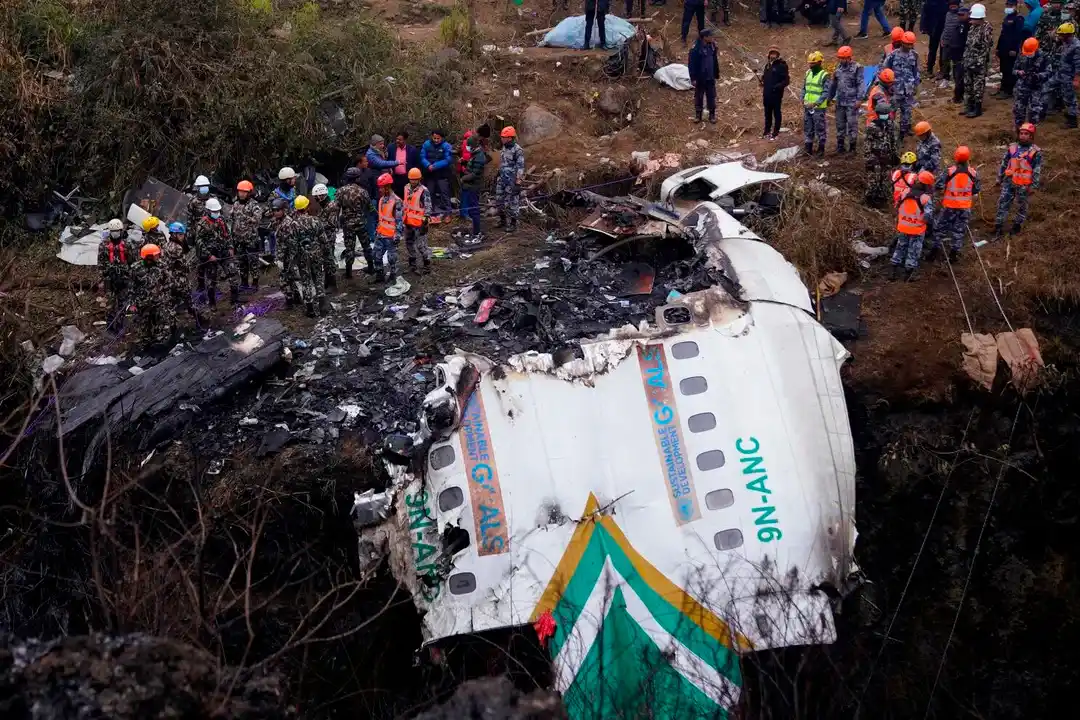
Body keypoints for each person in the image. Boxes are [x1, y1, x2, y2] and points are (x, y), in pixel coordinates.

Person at [930, 145, 979, 262]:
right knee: (959, 231)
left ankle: (934, 251)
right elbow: (976, 190)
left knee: (940, 228)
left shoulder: (949, 172)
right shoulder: (973, 173)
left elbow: (938, 185)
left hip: (949, 206)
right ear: (968, 158)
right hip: (964, 208)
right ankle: (954, 254)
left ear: (956, 158)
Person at [280, 195, 326, 317]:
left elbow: (292, 243)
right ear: (307, 207)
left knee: (306, 280)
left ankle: (310, 309)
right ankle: (322, 306)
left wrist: (292, 258)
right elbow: (323, 239)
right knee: (318, 278)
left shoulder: (293, 224)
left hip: (302, 256)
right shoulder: (316, 220)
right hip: (316, 253)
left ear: (296, 208)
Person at [994, 122, 1041, 238]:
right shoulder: (1012, 147)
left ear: (1031, 136)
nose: (1023, 136)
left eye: (1026, 134)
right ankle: (998, 228)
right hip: (1009, 182)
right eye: (1021, 133)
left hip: (1024, 186)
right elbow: (1004, 163)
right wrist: (999, 178)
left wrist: (1033, 186)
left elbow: (1037, 169)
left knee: (1022, 207)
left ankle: (1016, 227)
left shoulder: (1035, 151)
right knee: (1002, 204)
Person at [891, 170, 936, 280]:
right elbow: (928, 216)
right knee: (913, 250)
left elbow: (897, 205)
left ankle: (892, 272)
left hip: (903, 226)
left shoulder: (905, 192)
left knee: (900, 246)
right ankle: (909, 274)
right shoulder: (925, 198)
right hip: (917, 229)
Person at [864, 68, 899, 207]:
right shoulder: (878, 94)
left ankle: (882, 198)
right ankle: (871, 199)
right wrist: (869, 158)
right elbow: (868, 145)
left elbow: (892, 141)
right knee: (874, 176)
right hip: (875, 149)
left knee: (883, 176)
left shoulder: (889, 125)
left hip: (884, 152)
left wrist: (894, 155)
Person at [131, 244, 176, 344]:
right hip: (143, 303)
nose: (158, 257)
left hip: (160, 301)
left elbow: (169, 281)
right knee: (145, 326)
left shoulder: (162, 265)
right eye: (156, 255)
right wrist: (132, 303)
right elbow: (131, 287)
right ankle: (146, 345)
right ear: (149, 257)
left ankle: (163, 343)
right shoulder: (136, 268)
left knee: (162, 322)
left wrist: (166, 295)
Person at [195, 197, 234, 308]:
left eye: (217, 211)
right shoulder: (202, 224)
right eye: (214, 211)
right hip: (211, 255)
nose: (216, 213)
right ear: (208, 211)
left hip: (224, 252)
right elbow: (199, 242)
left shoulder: (221, 220)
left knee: (233, 273)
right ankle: (212, 304)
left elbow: (228, 234)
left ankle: (234, 301)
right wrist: (209, 255)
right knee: (211, 281)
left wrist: (230, 247)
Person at [337, 167, 373, 278]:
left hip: (348, 224)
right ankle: (371, 267)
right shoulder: (363, 191)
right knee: (366, 245)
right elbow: (369, 207)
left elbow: (337, 207)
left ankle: (348, 272)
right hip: (361, 222)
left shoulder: (341, 191)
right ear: (357, 178)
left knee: (349, 248)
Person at [98, 218, 135, 326]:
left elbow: (132, 261)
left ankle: (121, 322)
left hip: (124, 277)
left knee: (123, 301)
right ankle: (110, 323)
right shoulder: (104, 245)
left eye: (117, 231)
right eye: (113, 231)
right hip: (109, 278)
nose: (115, 233)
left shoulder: (127, 244)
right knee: (110, 302)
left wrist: (130, 275)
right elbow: (101, 262)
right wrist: (103, 276)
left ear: (121, 231)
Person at [884, 31, 921, 138]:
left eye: (911, 44)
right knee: (892, 111)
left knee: (907, 111)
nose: (910, 46)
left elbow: (916, 71)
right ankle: (891, 130)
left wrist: (916, 85)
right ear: (902, 43)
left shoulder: (914, 55)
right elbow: (885, 69)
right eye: (908, 44)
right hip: (895, 89)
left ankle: (904, 130)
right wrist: (887, 86)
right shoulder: (893, 55)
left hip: (908, 89)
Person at [961, 3, 993, 117]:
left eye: (973, 18)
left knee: (978, 86)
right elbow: (969, 45)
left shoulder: (986, 30)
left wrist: (978, 63)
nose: (970, 19)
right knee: (968, 85)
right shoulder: (973, 28)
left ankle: (977, 109)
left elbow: (985, 48)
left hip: (978, 64)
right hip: (969, 61)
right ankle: (969, 106)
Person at [828, 45, 862, 152]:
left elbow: (861, 84)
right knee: (840, 125)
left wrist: (859, 99)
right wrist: (829, 98)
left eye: (844, 58)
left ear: (849, 57)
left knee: (852, 125)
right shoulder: (838, 69)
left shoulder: (857, 68)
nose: (842, 60)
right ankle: (840, 146)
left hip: (852, 102)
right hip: (840, 102)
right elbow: (833, 85)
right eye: (840, 58)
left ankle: (852, 147)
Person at [232, 179, 264, 291]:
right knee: (242, 261)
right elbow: (232, 218)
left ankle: (255, 282)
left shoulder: (254, 205)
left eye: (244, 192)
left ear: (249, 193)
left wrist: (244, 217)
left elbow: (257, 219)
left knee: (253, 262)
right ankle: (244, 282)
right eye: (240, 191)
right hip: (238, 239)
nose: (242, 194)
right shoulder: (235, 204)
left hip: (251, 239)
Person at [1048, 22, 1080, 127]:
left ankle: (1072, 120)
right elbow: (1054, 38)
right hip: (1061, 73)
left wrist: (1076, 79)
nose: (1059, 37)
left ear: (1068, 34)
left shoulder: (1076, 47)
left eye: (1062, 35)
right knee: (1047, 86)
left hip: (1069, 76)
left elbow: (1078, 65)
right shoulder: (1066, 41)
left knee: (1069, 97)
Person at [373, 173, 403, 283]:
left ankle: (393, 275)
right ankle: (379, 275)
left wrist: (398, 235)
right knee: (376, 255)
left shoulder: (397, 201)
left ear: (388, 186)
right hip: (380, 233)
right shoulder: (381, 200)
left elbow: (399, 220)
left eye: (381, 187)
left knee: (391, 258)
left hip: (391, 235)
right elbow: (381, 217)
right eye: (379, 187)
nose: (379, 189)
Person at [1014, 37, 1051, 125]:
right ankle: (1019, 131)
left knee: (1034, 111)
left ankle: (1032, 132)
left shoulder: (1044, 57)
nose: (1028, 55)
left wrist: (1038, 76)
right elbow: (1014, 69)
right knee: (1019, 111)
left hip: (1036, 88)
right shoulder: (1022, 54)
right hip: (1022, 87)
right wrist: (1018, 72)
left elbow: (1049, 72)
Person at [402, 168, 433, 275]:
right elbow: (405, 203)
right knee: (409, 243)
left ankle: (427, 265)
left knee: (421, 245)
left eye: (415, 179)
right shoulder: (406, 187)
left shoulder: (424, 190)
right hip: (408, 221)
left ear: (419, 179)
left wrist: (426, 217)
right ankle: (412, 265)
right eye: (411, 179)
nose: (413, 181)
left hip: (419, 223)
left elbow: (428, 206)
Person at [163, 221, 196, 322]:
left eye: (183, 235)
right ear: (174, 234)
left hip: (169, 280)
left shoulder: (166, 245)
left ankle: (174, 324)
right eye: (180, 235)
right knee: (188, 300)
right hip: (179, 280)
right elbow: (185, 266)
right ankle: (197, 319)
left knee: (172, 304)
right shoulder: (177, 248)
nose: (182, 237)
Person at [420, 129, 455, 221]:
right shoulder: (427, 144)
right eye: (434, 138)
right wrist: (428, 165)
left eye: (438, 138)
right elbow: (422, 157)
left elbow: (448, 160)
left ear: (442, 138)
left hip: (442, 173)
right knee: (430, 192)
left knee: (444, 193)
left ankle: (448, 213)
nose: (436, 140)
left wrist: (436, 166)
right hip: (430, 173)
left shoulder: (446, 146)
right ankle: (431, 213)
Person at [496, 126, 526, 232]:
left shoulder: (518, 150)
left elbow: (520, 166)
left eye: (504, 137)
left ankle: (513, 223)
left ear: (510, 138)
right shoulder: (504, 147)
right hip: (502, 179)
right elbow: (503, 162)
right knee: (499, 200)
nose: (502, 139)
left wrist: (518, 182)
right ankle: (503, 220)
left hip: (512, 181)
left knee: (513, 202)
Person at [460, 134, 488, 243]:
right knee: (472, 209)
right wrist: (465, 164)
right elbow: (473, 168)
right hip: (471, 185)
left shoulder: (480, 156)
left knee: (474, 210)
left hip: (474, 186)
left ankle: (477, 232)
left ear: (473, 145)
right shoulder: (475, 155)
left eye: (468, 145)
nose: (467, 147)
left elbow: (475, 174)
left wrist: (463, 178)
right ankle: (476, 231)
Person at [996, 0, 1026, 98]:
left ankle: (1008, 91)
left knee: (1010, 70)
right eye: (1007, 5)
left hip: (1011, 49)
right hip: (1003, 48)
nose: (1008, 6)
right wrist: (998, 47)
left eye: (1011, 5)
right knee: (1004, 69)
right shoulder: (1007, 18)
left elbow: (1018, 35)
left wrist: (1015, 49)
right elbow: (1002, 33)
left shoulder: (1019, 19)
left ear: (1015, 6)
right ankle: (1003, 88)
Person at [689, 29, 720, 124]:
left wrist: (716, 73)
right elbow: (692, 64)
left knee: (711, 96)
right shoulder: (696, 48)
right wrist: (693, 78)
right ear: (705, 37)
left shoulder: (713, 46)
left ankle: (712, 115)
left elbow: (714, 60)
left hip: (710, 76)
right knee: (699, 96)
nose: (712, 38)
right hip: (700, 77)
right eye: (710, 36)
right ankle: (698, 114)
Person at [802, 51, 830, 154]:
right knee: (808, 127)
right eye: (809, 63)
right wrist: (802, 99)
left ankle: (821, 149)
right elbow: (804, 88)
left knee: (820, 128)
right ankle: (808, 148)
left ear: (819, 63)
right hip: (807, 106)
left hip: (818, 108)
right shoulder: (808, 73)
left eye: (812, 63)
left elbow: (826, 92)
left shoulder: (824, 75)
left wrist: (815, 103)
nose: (810, 65)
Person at [311, 183, 338, 288]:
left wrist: (316, 225)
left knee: (329, 259)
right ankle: (328, 281)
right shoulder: (324, 206)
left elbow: (331, 223)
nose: (316, 199)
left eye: (316, 197)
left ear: (321, 195)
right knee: (325, 259)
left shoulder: (331, 206)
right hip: (323, 236)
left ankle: (332, 283)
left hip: (329, 236)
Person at [267, 199, 293, 305]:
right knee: (284, 277)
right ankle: (290, 298)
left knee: (287, 278)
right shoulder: (276, 221)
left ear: (283, 210)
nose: (275, 212)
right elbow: (270, 230)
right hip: (280, 253)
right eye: (274, 210)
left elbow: (290, 243)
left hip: (288, 255)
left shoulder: (288, 223)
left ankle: (290, 300)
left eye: (278, 210)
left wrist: (284, 258)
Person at [761, 45, 790, 139]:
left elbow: (786, 81)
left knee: (776, 113)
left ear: (777, 54)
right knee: (767, 113)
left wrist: (777, 87)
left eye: (774, 53)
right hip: (767, 94)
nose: (772, 55)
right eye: (771, 53)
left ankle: (775, 132)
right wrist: (762, 81)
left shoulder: (782, 65)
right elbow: (765, 78)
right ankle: (766, 131)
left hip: (776, 95)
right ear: (769, 54)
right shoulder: (767, 65)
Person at [389, 131, 422, 200]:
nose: (397, 141)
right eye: (397, 139)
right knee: (395, 198)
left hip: (406, 178)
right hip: (394, 177)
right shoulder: (391, 148)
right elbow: (388, 160)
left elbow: (417, 164)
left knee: (407, 197)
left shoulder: (412, 150)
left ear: (405, 140)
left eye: (400, 140)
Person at [948, 5, 972, 101]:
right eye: (959, 14)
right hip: (955, 55)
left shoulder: (969, 26)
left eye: (962, 14)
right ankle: (958, 95)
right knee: (956, 76)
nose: (960, 16)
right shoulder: (958, 24)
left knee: (960, 76)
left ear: (968, 14)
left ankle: (958, 96)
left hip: (962, 55)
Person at [922, 0, 951, 76]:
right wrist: (925, 27)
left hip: (943, 29)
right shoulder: (931, 3)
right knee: (933, 50)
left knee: (943, 51)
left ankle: (942, 71)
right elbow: (926, 12)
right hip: (935, 28)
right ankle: (930, 69)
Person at [940, 2, 965, 79]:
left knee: (955, 62)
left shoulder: (961, 14)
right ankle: (946, 77)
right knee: (945, 60)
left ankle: (956, 78)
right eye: (951, 4)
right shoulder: (947, 14)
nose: (953, 6)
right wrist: (942, 38)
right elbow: (945, 28)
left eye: (955, 4)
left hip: (956, 44)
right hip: (946, 41)